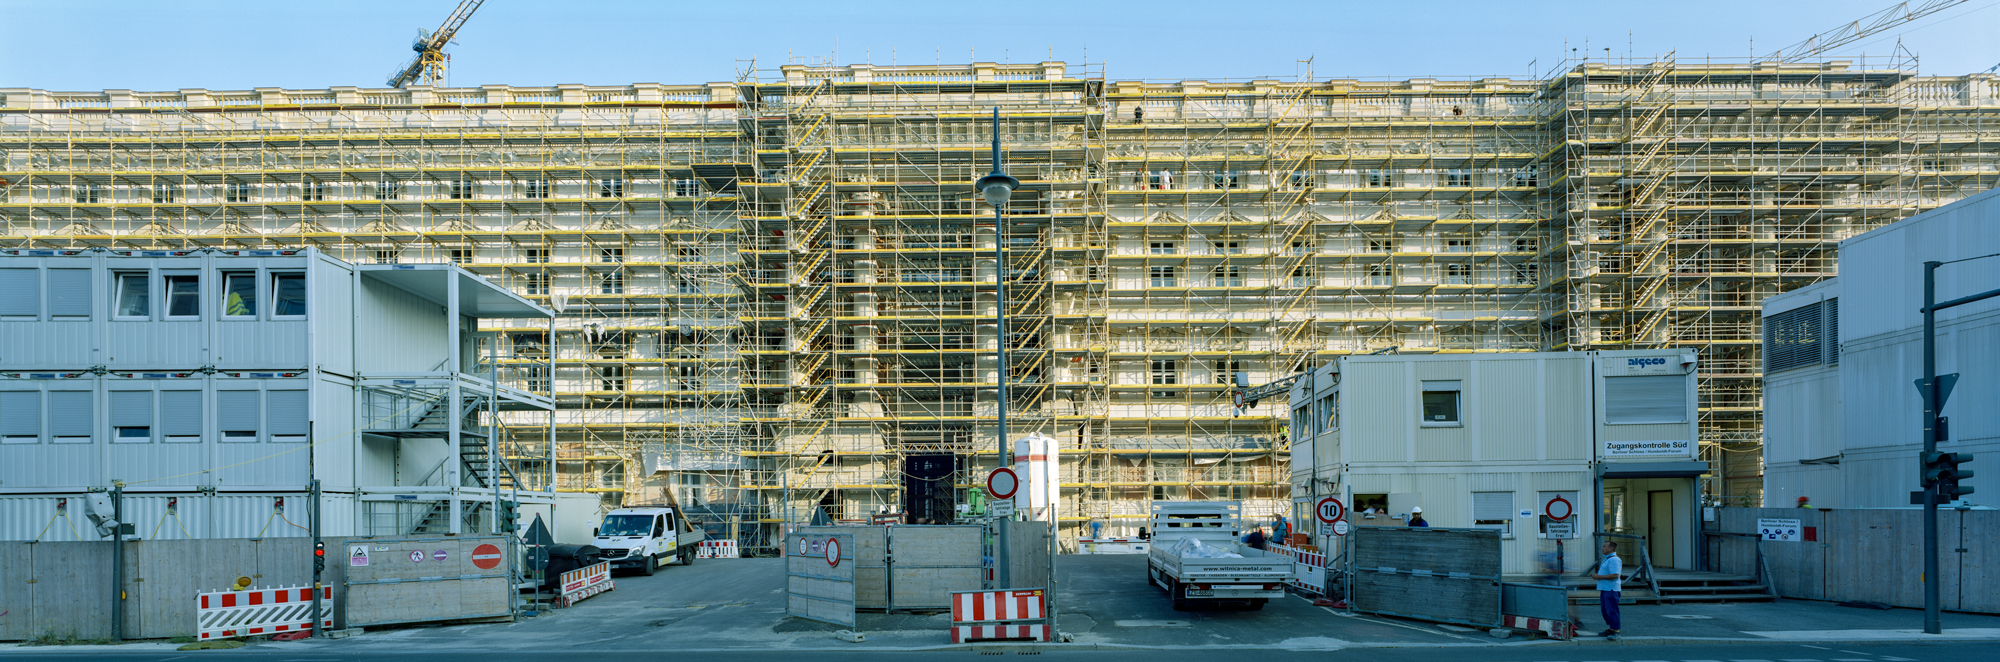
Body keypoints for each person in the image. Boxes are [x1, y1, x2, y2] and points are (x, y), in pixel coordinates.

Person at [1592, 540, 1623, 638]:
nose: (1602, 548)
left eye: (1605, 546)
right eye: (1603, 546)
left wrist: (1598, 577)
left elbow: (1615, 575)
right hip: (1605, 589)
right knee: (1606, 611)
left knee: (1612, 610)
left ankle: (1616, 631)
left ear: (1611, 548)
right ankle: (1612, 629)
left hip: (1611, 589)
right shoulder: (1608, 558)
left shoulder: (1614, 560)